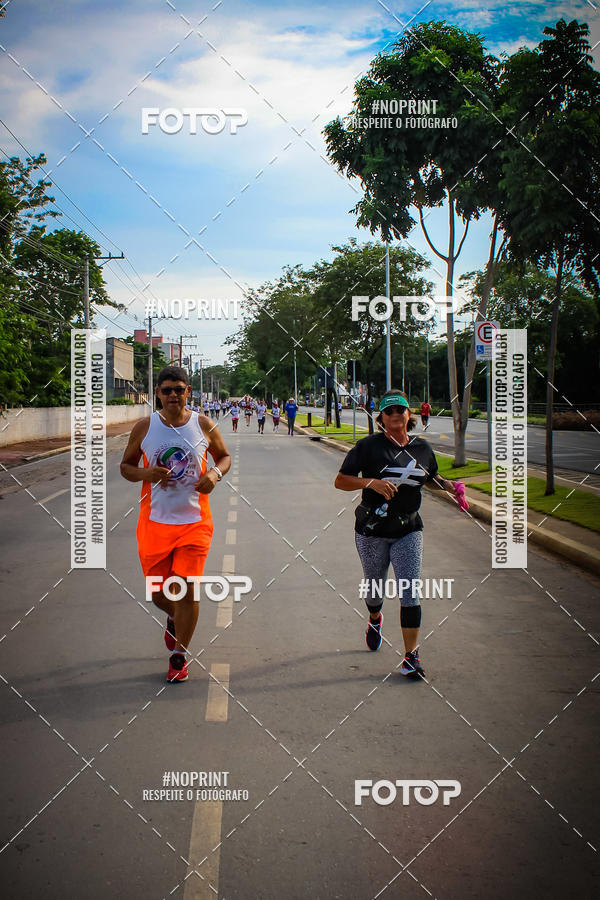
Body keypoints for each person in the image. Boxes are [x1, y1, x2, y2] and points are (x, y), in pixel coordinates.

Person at [334, 389, 463, 679]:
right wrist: (371, 484)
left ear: (409, 415)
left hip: (408, 529)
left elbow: (428, 480)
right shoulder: (368, 447)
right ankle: (375, 618)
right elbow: (340, 481)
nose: (395, 415)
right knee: (374, 587)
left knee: (409, 590)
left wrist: (448, 485)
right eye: (389, 411)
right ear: (381, 417)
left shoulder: (423, 449)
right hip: (372, 531)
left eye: (400, 410)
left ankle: (411, 656)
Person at [120, 366, 231, 683]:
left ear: (188, 391)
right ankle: (174, 618)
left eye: (178, 389)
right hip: (155, 523)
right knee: (158, 593)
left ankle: (179, 655)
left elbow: (224, 457)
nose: (172, 395)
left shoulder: (203, 425)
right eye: (166, 389)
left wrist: (214, 474)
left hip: (195, 522)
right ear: (157, 392)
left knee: (185, 589)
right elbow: (126, 467)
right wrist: (146, 474)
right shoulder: (145, 427)